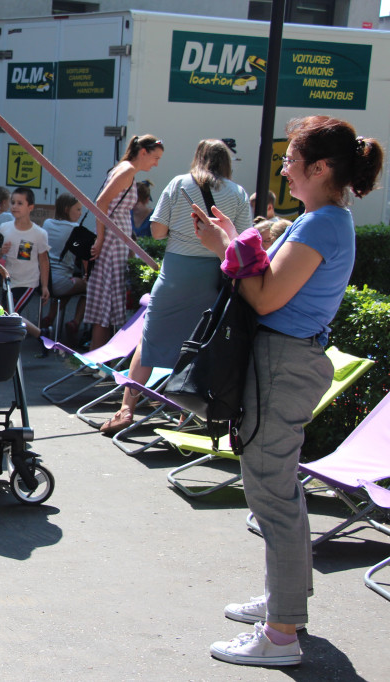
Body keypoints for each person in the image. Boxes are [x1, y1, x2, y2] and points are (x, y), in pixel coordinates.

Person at [192, 116, 383, 667]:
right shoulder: (322, 219)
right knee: (279, 492)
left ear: (320, 168)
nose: (283, 168)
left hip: (284, 361)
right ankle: (284, 607)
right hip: (285, 359)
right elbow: (269, 287)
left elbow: (267, 297)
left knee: (272, 495)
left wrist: (225, 246)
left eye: (291, 159)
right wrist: (230, 241)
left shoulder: (322, 223)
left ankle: (281, 635)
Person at [100, 139, 250, 435]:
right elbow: (242, 238)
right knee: (198, 345)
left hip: (176, 273)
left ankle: (126, 408)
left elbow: (156, 232)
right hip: (213, 276)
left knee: (149, 339)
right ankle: (186, 413)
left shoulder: (180, 183)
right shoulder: (238, 193)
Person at [85, 134, 164, 350]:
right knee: (106, 304)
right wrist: (101, 239)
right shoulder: (128, 171)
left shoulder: (124, 168)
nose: (156, 163)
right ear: (143, 152)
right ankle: (97, 359)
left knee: (106, 304)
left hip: (115, 240)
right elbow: (101, 202)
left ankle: (96, 358)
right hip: (112, 242)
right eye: (155, 157)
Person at [0, 187, 49, 317]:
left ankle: (31, 334)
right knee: (2, 314)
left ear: (30, 207)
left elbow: (43, 260)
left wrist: (45, 286)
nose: (15, 206)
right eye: (13, 202)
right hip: (8, 281)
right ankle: (37, 334)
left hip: (27, 283)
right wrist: (1, 251)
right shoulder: (4, 228)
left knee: (8, 315)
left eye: (20, 203)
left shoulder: (39, 233)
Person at [40, 192, 88, 338]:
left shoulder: (47, 223)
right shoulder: (76, 229)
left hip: (44, 281)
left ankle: (50, 317)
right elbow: (85, 257)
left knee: (70, 285)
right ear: (67, 209)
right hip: (61, 282)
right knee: (91, 286)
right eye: (78, 209)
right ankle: (75, 322)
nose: (80, 213)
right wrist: (87, 274)